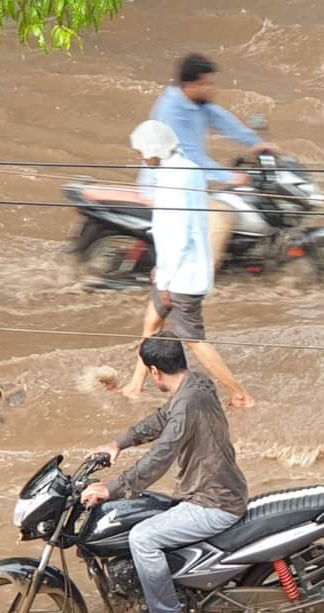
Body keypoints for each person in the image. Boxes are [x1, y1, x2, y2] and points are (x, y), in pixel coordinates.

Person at [82, 332, 249, 613]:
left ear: (154, 371)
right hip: (217, 489)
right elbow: (161, 419)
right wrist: (118, 443)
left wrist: (113, 488)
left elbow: (161, 456)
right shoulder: (196, 384)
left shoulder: (188, 401)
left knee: (142, 537)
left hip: (213, 502)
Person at [120, 120, 254, 407]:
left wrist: (166, 279)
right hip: (177, 268)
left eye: (141, 151)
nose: (139, 157)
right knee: (152, 322)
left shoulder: (174, 179)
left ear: (154, 150)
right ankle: (134, 386)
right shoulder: (186, 169)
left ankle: (240, 393)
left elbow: (177, 234)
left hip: (182, 275)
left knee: (194, 339)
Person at [149, 53, 278, 270]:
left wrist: (256, 143)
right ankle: (200, 276)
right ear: (189, 85)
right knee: (223, 217)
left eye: (211, 83)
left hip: (188, 184)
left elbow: (221, 119)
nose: (212, 88)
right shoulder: (173, 112)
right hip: (169, 189)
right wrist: (229, 176)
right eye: (206, 84)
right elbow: (190, 157)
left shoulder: (196, 103)